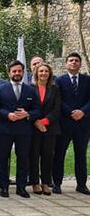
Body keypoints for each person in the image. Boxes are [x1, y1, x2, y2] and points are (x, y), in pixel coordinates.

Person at [0, 60, 40, 198]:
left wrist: (28, 114)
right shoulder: (1, 89)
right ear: (9, 73)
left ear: (23, 72)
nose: (17, 73)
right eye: (14, 71)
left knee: (23, 158)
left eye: (19, 71)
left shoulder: (30, 90)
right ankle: (3, 186)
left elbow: (37, 110)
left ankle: (21, 187)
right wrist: (7, 114)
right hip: (5, 130)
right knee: (3, 158)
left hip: (23, 130)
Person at [53, 52, 90, 195]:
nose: (73, 62)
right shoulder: (59, 81)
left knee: (81, 155)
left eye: (76, 60)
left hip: (83, 124)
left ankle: (81, 185)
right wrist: (71, 112)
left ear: (80, 64)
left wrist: (82, 112)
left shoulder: (87, 80)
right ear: (66, 64)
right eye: (71, 60)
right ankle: (57, 184)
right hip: (65, 123)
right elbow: (58, 100)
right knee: (60, 154)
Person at [30, 63, 61, 196]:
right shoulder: (30, 88)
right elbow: (28, 106)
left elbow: (56, 108)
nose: (43, 73)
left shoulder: (55, 89)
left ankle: (45, 183)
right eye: (41, 71)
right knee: (34, 155)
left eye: (46, 71)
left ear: (50, 73)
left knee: (48, 156)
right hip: (33, 127)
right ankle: (35, 182)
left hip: (50, 128)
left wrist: (44, 122)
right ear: (36, 73)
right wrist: (36, 121)